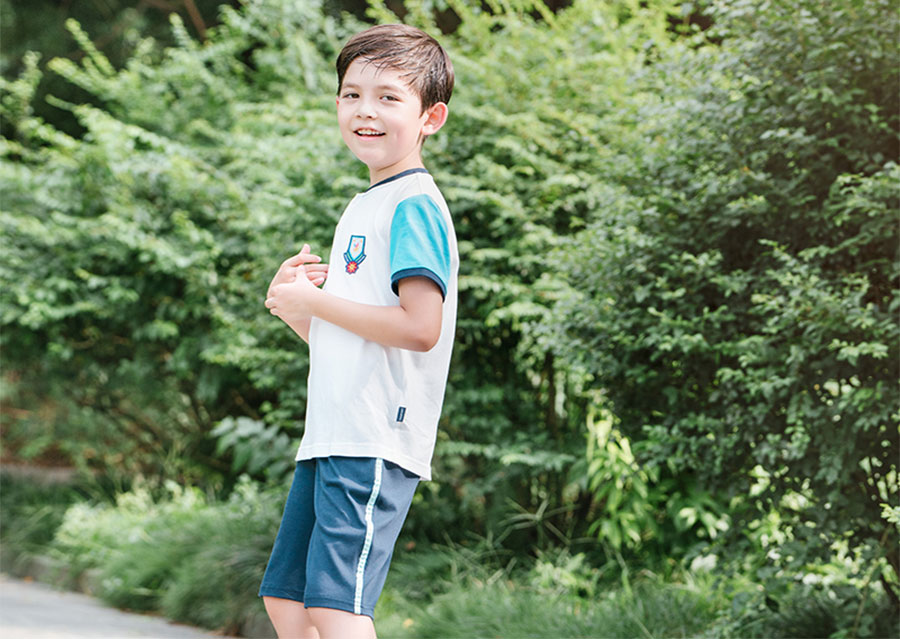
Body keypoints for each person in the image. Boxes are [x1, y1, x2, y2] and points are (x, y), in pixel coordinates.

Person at [259, 23, 457, 639]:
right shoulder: (364, 204)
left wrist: (318, 302)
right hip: (332, 433)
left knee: (336, 608)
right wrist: (296, 309)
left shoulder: (413, 205)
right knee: (288, 603)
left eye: (388, 97)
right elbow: (355, 343)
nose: (365, 111)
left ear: (430, 118)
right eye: (352, 94)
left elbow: (420, 329)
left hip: (374, 438)